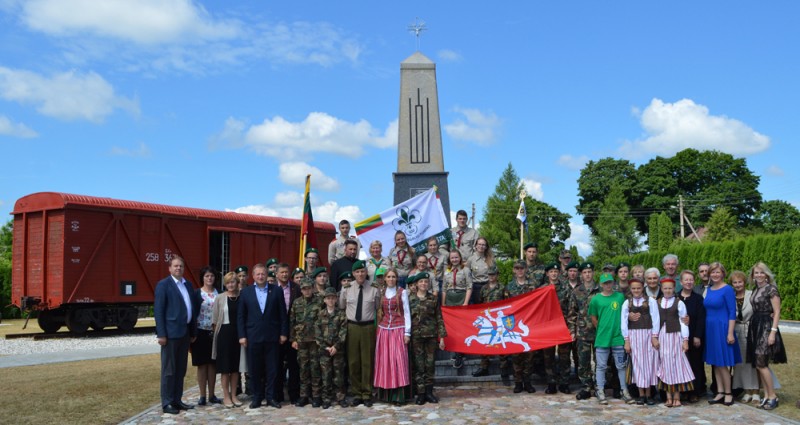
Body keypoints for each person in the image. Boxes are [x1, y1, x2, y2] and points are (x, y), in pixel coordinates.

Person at [238, 263, 289, 409]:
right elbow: (241, 316)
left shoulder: (276, 291)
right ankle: (257, 398)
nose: (260, 276)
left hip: (272, 337)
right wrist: (242, 335)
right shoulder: (246, 292)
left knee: (272, 369)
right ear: (253, 276)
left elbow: (282, 315)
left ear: (267, 275)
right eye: (258, 274)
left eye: (263, 274)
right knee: (254, 370)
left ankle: (271, 397)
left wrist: (283, 333)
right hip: (252, 337)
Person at [154, 256, 198, 415]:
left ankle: (177, 400)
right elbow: (159, 311)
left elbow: (191, 309)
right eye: (175, 266)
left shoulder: (187, 284)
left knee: (181, 370)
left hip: (185, 333)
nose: (178, 268)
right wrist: (161, 334)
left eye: (181, 266)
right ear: (170, 268)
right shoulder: (164, 285)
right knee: (169, 370)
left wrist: (193, 331)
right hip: (170, 334)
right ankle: (167, 402)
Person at [338, 260, 380, 407]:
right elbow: (342, 306)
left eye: (362, 271)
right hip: (352, 327)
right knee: (354, 361)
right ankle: (356, 393)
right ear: (354, 273)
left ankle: (367, 393)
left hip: (368, 327)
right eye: (357, 272)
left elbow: (378, 308)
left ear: (366, 272)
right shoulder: (347, 288)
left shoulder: (374, 288)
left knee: (367, 361)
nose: (360, 274)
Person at [747, 262, 787, 410]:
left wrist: (773, 332)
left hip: (766, 327)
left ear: (766, 274)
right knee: (759, 364)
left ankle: (773, 396)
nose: (758, 275)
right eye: (756, 273)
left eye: (761, 272)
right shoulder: (755, 289)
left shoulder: (771, 289)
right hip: (755, 326)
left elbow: (776, 312)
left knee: (761, 363)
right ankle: (768, 395)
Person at [589, 272, 633, 404]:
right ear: (601, 284)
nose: (608, 285)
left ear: (614, 283)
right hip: (602, 338)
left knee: (621, 365)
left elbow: (625, 313)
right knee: (601, 366)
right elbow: (593, 318)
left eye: (610, 282)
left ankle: (624, 390)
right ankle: (600, 390)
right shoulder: (596, 299)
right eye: (605, 283)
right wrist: (602, 328)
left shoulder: (619, 297)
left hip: (618, 337)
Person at [704, 262, 741, 407]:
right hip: (710, 329)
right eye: (712, 272)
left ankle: (728, 393)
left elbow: (732, 312)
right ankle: (719, 391)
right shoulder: (710, 289)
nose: (715, 274)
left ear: (723, 273)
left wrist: (730, 333)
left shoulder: (727, 289)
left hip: (723, 328)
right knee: (715, 363)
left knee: (723, 363)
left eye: (717, 272)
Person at [374, 268, 412, 404]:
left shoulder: (402, 292)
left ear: (397, 278)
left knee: (398, 361)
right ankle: (386, 395)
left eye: (393, 277)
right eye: (389, 277)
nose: (391, 279)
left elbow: (407, 312)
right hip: (384, 330)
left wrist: (407, 332)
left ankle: (399, 396)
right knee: (385, 362)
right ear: (384, 278)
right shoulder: (381, 292)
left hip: (398, 329)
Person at [409, 272, 447, 405]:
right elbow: (407, 319)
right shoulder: (410, 299)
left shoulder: (433, 299)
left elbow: (439, 318)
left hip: (430, 336)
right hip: (416, 337)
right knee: (419, 365)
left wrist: (442, 337)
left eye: (426, 281)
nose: (423, 284)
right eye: (421, 282)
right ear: (416, 284)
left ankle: (429, 392)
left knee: (430, 365)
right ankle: (421, 394)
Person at [656, 278, 695, 408]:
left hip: (675, 336)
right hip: (662, 337)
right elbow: (655, 322)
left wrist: (685, 340)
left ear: (674, 288)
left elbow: (684, 323)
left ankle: (677, 396)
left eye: (670, 288)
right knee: (665, 364)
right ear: (661, 289)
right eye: (665, 288)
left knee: (676, 365)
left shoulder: (679, 303)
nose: (668, 290)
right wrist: (654, 337)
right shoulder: (657, 302)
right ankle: (668, 396)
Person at [622, 278, 660, 405]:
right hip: (634, 336)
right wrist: (626, 340)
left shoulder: (651, 301)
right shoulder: (627, 303)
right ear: (630, 289)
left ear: (642, 287)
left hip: (648, 335)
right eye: (633, 288)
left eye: (638, 288)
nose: (636, 290)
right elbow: (623, 323)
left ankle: (649, 394)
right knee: (637, 364)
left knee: (649, 363)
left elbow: (656, 319)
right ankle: (641, 394)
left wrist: (655, 336)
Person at [568, 262, 599, 400]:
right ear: (582, 274)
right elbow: (572, 314)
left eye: (589, 272)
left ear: (593, 273)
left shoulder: (600, 290)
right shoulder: (576, 291)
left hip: (599, 332)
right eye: (585, 272)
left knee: (600, 362)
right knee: (583, 362)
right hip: (583, 332)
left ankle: (599, 386)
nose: (587, 274)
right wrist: (572, 331)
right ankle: (586, 387)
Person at [505, 260, 537, 393]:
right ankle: (518, 382)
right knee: (516, 354)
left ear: (525, 270)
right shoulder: (510, 286)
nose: (519, 270)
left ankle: (527, 381)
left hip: (528, 323)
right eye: (517, 268)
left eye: (522, 268)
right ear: (514, 270)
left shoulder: (532, 285)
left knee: (529, 354)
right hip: (514, 324)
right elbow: (506, 306)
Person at [290, 277, 323, 407]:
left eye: (309, 288)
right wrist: (293, 339)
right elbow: (292, 321)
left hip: (315, 341)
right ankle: (304, 396)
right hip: (301, 341)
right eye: (304, 289)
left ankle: (316, 396)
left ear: (312, 288)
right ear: (301, 290)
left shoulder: (320, 301)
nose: (307, 291)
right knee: (303, 369)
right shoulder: (296, 303)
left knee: (315, 368)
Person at [211, 272, 243, 408]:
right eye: (228, 282)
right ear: (225, 284)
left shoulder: (242, 297)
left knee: (235, 368)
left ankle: (234, 395)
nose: (231, 284)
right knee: (225, 368)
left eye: (233, 282)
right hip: (224, 335)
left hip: (238, 335)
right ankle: (226, 396)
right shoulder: (220, 298)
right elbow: (214, 320)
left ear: (237, 283)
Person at [191, 266, 221, 405]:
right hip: (200, 332)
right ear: (202, 278)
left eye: (212, 276)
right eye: (207, 276)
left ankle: (212, 395)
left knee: (213, 365)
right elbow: (191, 315)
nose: (210, 278)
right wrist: (192, 334)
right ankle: (202, 395)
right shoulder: (196, 294)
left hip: (215, 332)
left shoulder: (219, 294)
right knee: (202, 364)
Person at [472, 266, 509, 378]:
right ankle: (484, 367)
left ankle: (504, 368)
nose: (491, 277)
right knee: (485, 342)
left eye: (493, 274)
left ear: (497, 275)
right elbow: (480, 303)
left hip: (498, 319)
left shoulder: (503, 288)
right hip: (488, 319)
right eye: (489, 275)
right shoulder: (484, 288)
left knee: (502, 342)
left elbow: (507, 303)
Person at [316, 287, 348, 409]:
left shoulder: (341, 314)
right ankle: (326, 398)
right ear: (324, 300)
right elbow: (317, 333)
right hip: (324, 350)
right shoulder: (320, 314)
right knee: (326, 375)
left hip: (337, 349)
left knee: (339, 374)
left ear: (336, 299)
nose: (330, 300)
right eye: (328, 298)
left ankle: (340, 397)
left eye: (333, 298)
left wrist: (336, 346)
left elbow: (343, 332)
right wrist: (326, 347)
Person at [274, 263, 301, 404]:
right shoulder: (272, 289)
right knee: (277, 366)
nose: (284, 274)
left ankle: (294, 395)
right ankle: (278, 395)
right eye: (282, 272)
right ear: (276, 274)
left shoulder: (296, 288)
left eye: (286, 272)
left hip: (293, 333)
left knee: (293, 366)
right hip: (277, 334)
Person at [677, 270, 706, 403]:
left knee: (695, 364)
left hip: (694, 334)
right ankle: (683, 391)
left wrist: (697, 336)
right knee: (681, 364)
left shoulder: (698, 298)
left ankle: (695, 391)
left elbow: (701, 318)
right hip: (678, 337)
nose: (688, 282)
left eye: (691, 280)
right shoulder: (676, 298)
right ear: (681, 282)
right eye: (686, 280)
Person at [730, 270, 758, 403]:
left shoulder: (752, 295)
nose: (737, 284)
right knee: (740, 363)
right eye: (734, 282)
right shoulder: (731, 297)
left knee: (754, 362)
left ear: (744, 282)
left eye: (740, 282)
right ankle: (747, 391)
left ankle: (756, 392)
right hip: (736, 330)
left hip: (752, 330)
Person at [540, 263, 568, 395]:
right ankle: (551, 383)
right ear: (547, 274)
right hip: (547, 328)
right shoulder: (541, 289)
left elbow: (570, 308)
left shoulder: (565, 288)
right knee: (548, 357)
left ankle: (564, 383)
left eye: (556, 271)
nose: (554, 274)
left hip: (562, 326)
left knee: (564, 356)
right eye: (551, 271)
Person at [443, 249, 472, 369]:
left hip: (461, 297)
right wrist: (443, 303)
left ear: (460, 258)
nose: (454, 260)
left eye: (456, 257)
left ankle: (460, 352)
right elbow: (444, 288)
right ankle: (454, 350)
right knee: (452, 327)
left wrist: (466, 302)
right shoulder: (447, 271)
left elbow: (469, 286)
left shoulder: (465, 270)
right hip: (450, 299)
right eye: (452, 258)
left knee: (460, 327)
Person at [467, 236, 495, 305]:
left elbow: (495, 274)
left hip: (488, 286)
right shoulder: (471, 259)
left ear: (486, 247)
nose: (481, 246)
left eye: (483, 245)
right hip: (475, 287)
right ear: (476, 246)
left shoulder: (491, 259)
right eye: (479, 244)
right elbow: (467, 275)